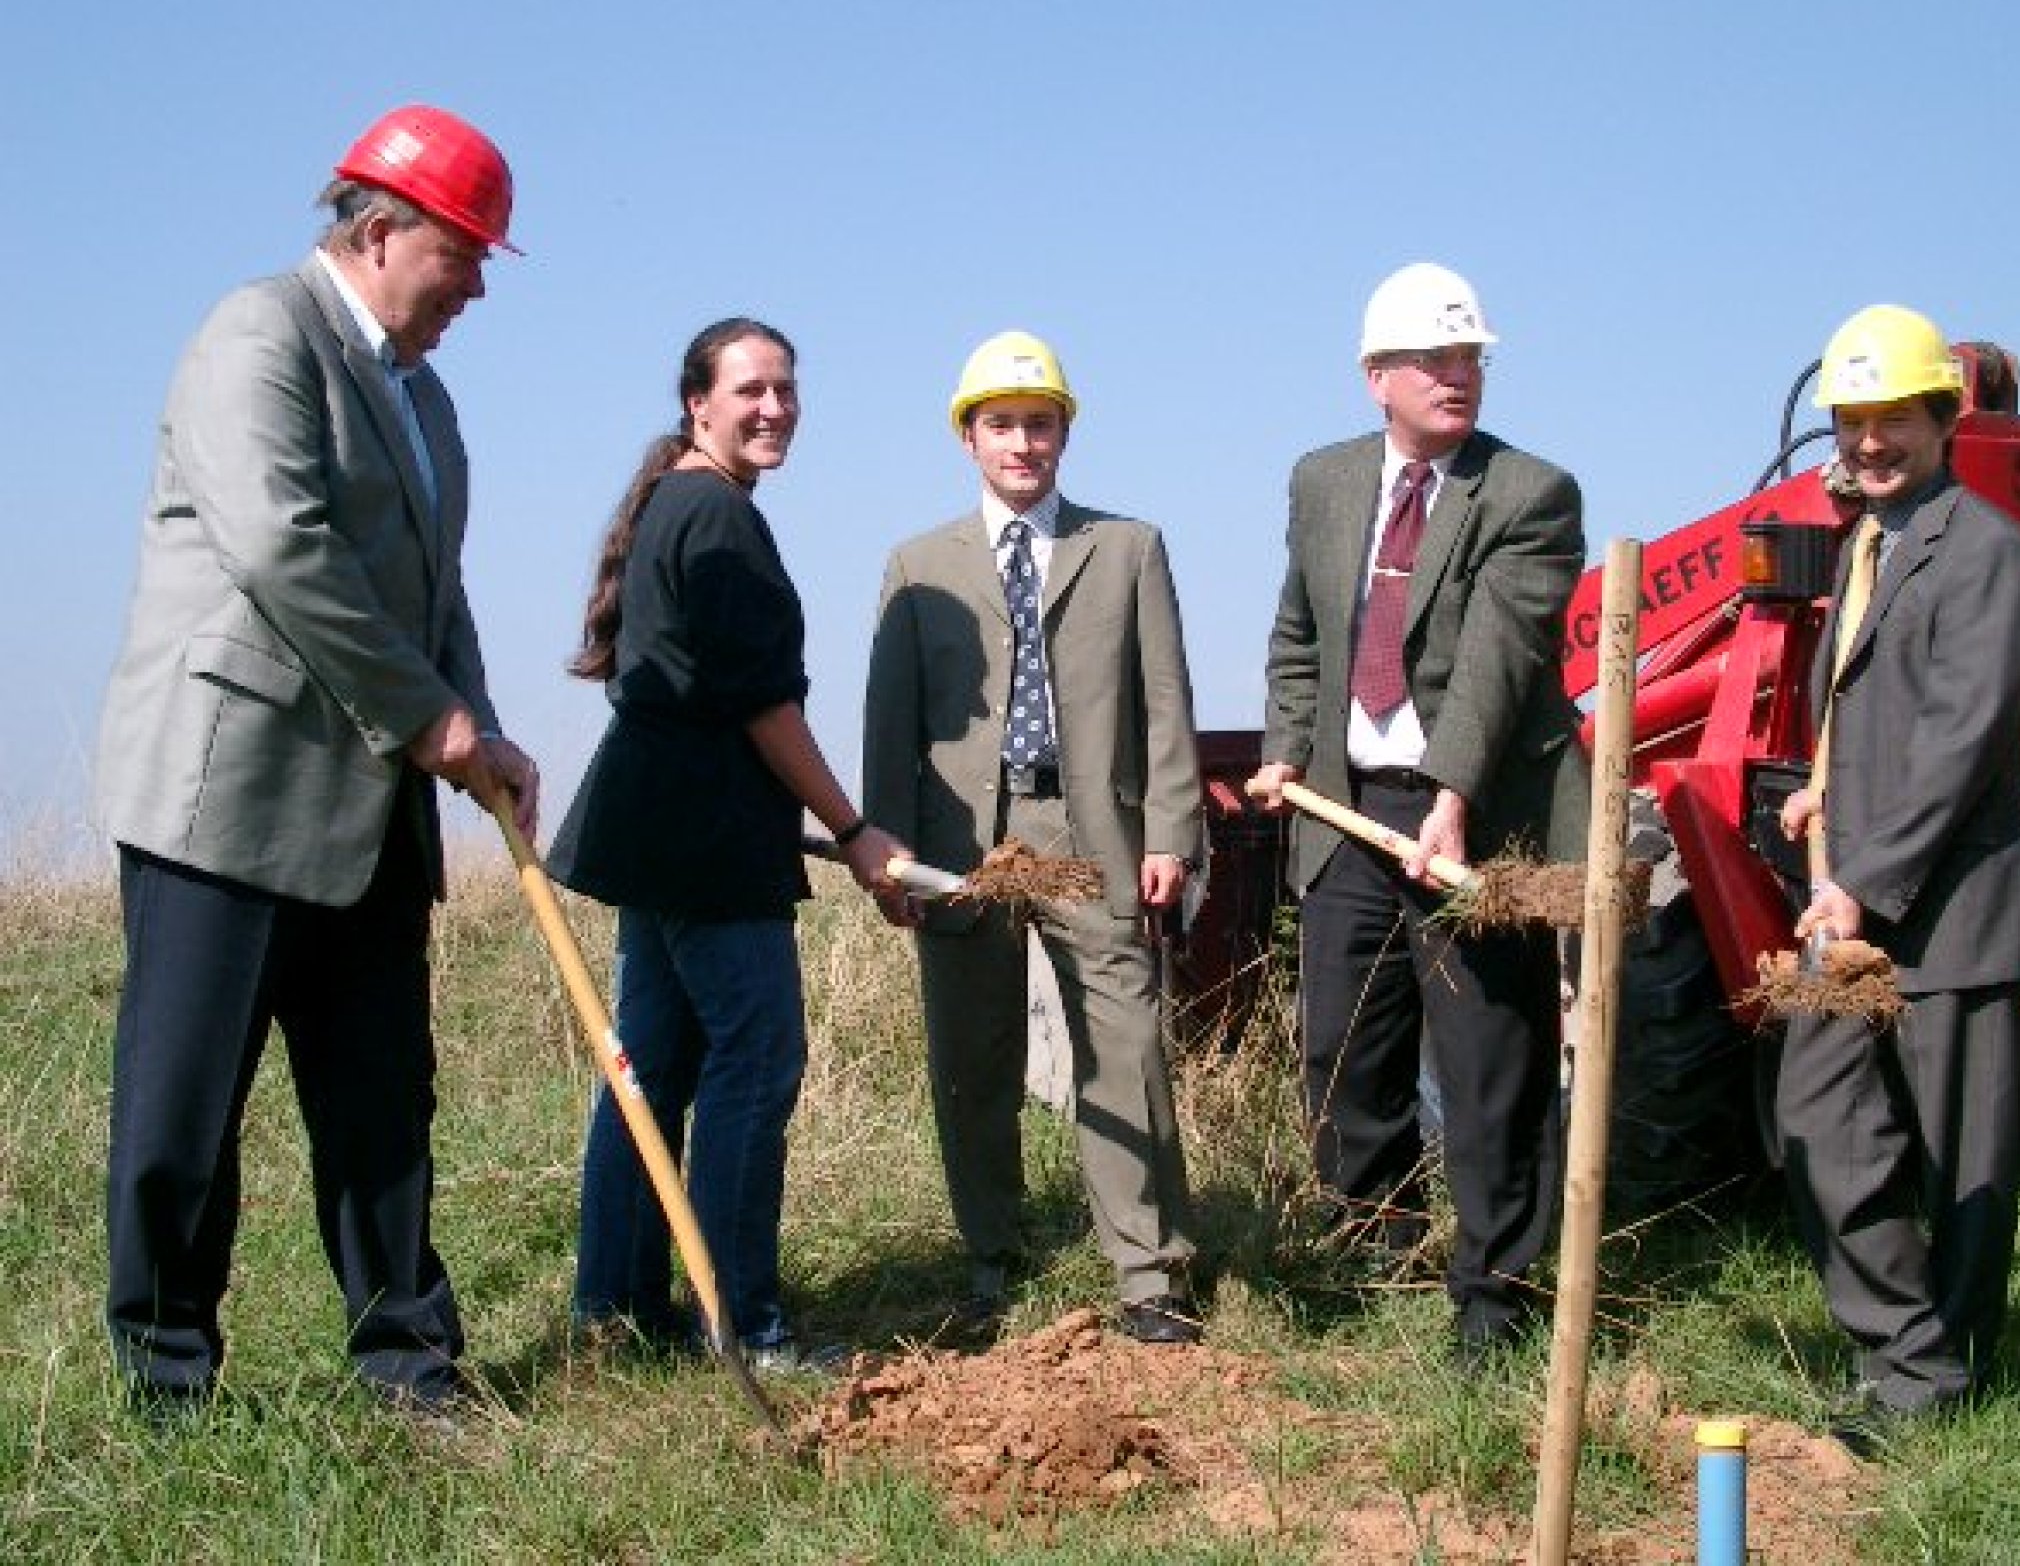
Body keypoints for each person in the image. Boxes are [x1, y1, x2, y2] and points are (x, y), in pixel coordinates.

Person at [94, 103, 540, 1416]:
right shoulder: (258, 337)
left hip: (373, 810)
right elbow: (282, 549)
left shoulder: (428, 402)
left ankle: (410, 1363)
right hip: (227, 799)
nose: (474, 289)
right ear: (383, 228)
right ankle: (168, 1384)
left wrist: (478, 726)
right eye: (464, 256)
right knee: (184, 1113)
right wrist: (428, 718)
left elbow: (437, 593)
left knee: (383, 1107)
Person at [1246, 263, 1588, 1369]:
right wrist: (1286, 745)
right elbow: (1301, 635)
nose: (1458, 376)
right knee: (1346, 1047)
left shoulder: (1530, 494)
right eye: (1434, 359)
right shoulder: (1324, 482)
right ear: (1376, 376)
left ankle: (1494, 1294)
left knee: (1491, 1061)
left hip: (1470, 813)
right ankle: (1371, 1251)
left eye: (1470, 359)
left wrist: (1451, 796)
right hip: (1345, 809)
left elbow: (1496, 664)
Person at [547, 318, 905, 1367]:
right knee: (758, 1058)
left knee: (652, 1068)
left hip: (658, 831)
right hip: (704, 843)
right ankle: (743, 1324)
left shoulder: (678, 502)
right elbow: (763, 706)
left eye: (786, 388)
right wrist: (853, 829)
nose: (774, 408)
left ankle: (616, 1308)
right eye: (750, 389)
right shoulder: (716, 516)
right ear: (697, 403)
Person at [863, 330, 1204, 1343]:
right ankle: (991, 1264)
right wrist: (886, 847)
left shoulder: (1127, 548)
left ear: (1065, 432)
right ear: (968, 438)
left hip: (1090, 831)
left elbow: (1165, 703)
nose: (1022, 443)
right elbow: (890, 721)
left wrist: (1171, 833)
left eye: (1039, 423)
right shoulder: (918, 566)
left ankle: (1150, 1275)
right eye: (1002, 424)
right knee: (971, 1058)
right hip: (960, 842)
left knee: (1126, 1049)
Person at [1775, 304, 2020, 1449]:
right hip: (1862, 895)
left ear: (1943, 419)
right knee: (1814, 1117)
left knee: (1957, 1167)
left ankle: (1938, 1388)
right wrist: (1822, 794)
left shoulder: (1989, 556)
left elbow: (1961, 742)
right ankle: (1906, 1349)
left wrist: (1862, 876)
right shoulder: (1867, 543)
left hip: (1948, 914)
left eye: (1893, 418)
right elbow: (1873, 708)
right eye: (1852, 419)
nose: (1870, 440)